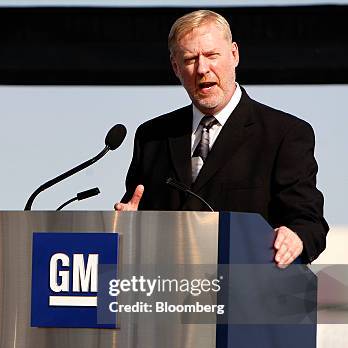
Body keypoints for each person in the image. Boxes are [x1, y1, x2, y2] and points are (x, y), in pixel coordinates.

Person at [114, 9, 328, 267]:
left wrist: (296, 237)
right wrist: (129, 225)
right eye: (190, 59)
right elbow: (136, 213)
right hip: (164, 294)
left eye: (211, 55)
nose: (202, 69)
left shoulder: (285, 134)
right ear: (175, 67)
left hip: (248, 294)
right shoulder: (152, 137)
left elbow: (309, 223)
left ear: (234, 54)